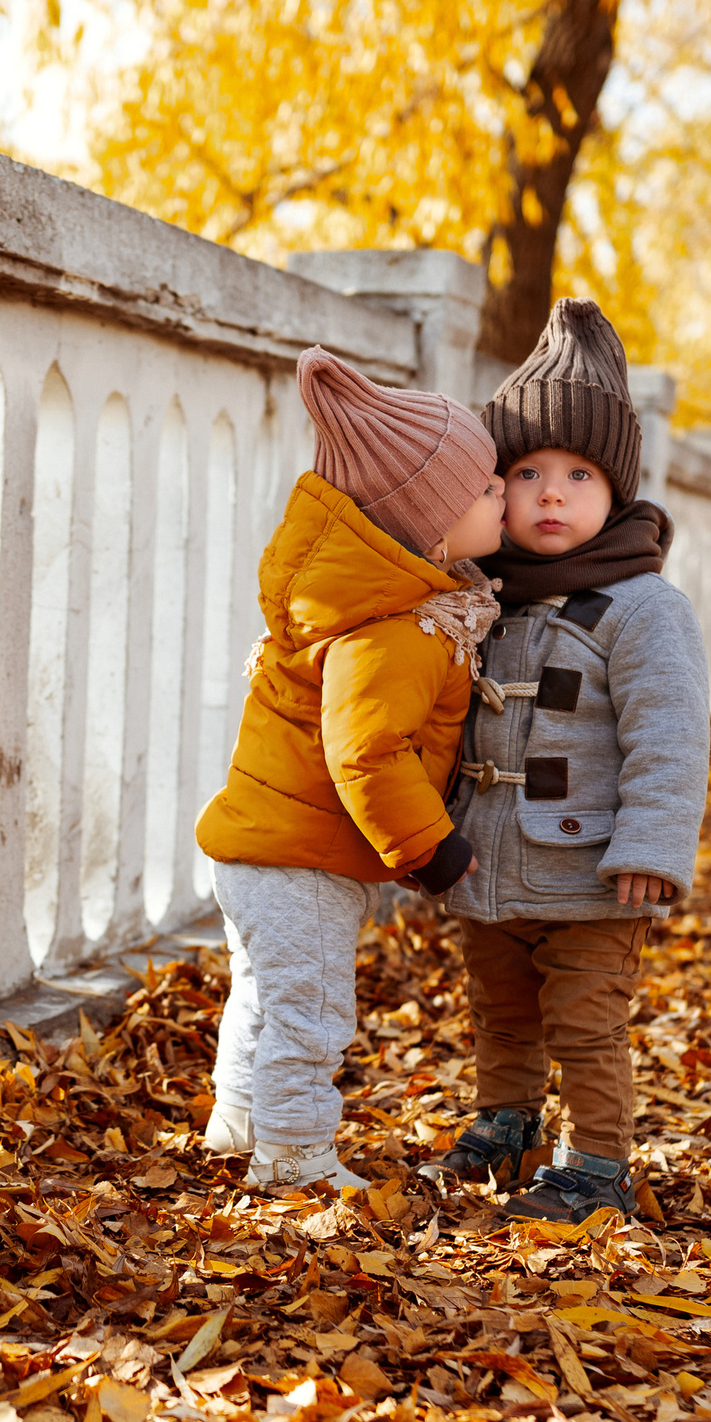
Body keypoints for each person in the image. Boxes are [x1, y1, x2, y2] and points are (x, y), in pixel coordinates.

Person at [420, 299, 711, 1224]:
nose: (551, 494)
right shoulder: (484, 593)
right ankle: (507, 1124)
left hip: (592, 872)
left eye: (578, 474)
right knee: (500, 1008)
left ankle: (597, 1165)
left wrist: (652, 846)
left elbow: (670, 736)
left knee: (587, 1022)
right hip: (491, 861)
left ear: (615, 492)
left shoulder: (642, 608)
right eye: (528, 472)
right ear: (495, 486)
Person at [196, 348, 505, 1193]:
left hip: (266, 846)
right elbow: (366, 751)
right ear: (434, 526)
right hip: (302, 859)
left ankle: (240, 1119)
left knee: (264, 992)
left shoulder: (374, 603)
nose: (504, 495)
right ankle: (294, 1152)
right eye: (485, 489)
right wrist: (431, 848)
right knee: (313, 1008)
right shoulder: (393, 628)